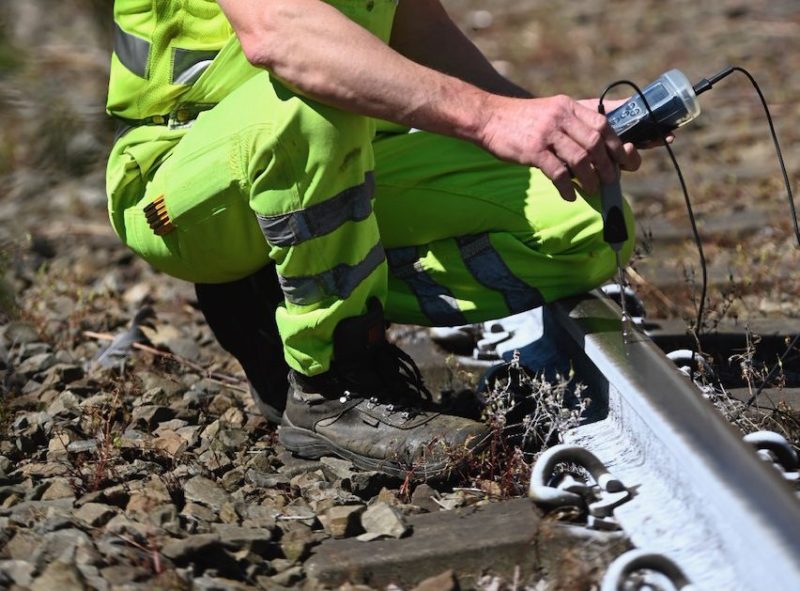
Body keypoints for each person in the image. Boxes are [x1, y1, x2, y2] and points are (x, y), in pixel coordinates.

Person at [104, 0, 641, 479]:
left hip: (344, 147)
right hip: (187, 174)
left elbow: (420, 28)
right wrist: (489, 119)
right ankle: (332, 390)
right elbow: (279, 33)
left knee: (586, 224)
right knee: (309, 99)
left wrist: (557, 125)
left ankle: (276, 293)